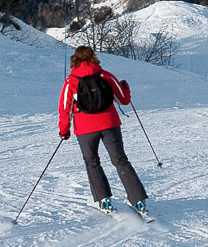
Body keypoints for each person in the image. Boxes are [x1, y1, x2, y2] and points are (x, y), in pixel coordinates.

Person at [57, 45, 150, 217]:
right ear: (93, 57)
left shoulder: (71, 81)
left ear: (74, 60)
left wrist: (64, 131)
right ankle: (138, 201)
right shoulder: (105, 75)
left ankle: (104, 200)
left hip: (85, 129)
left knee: (92, 162)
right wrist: (125, 86)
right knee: (121, 161)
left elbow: (64, 108)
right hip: (109, 124)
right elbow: (124, 100)